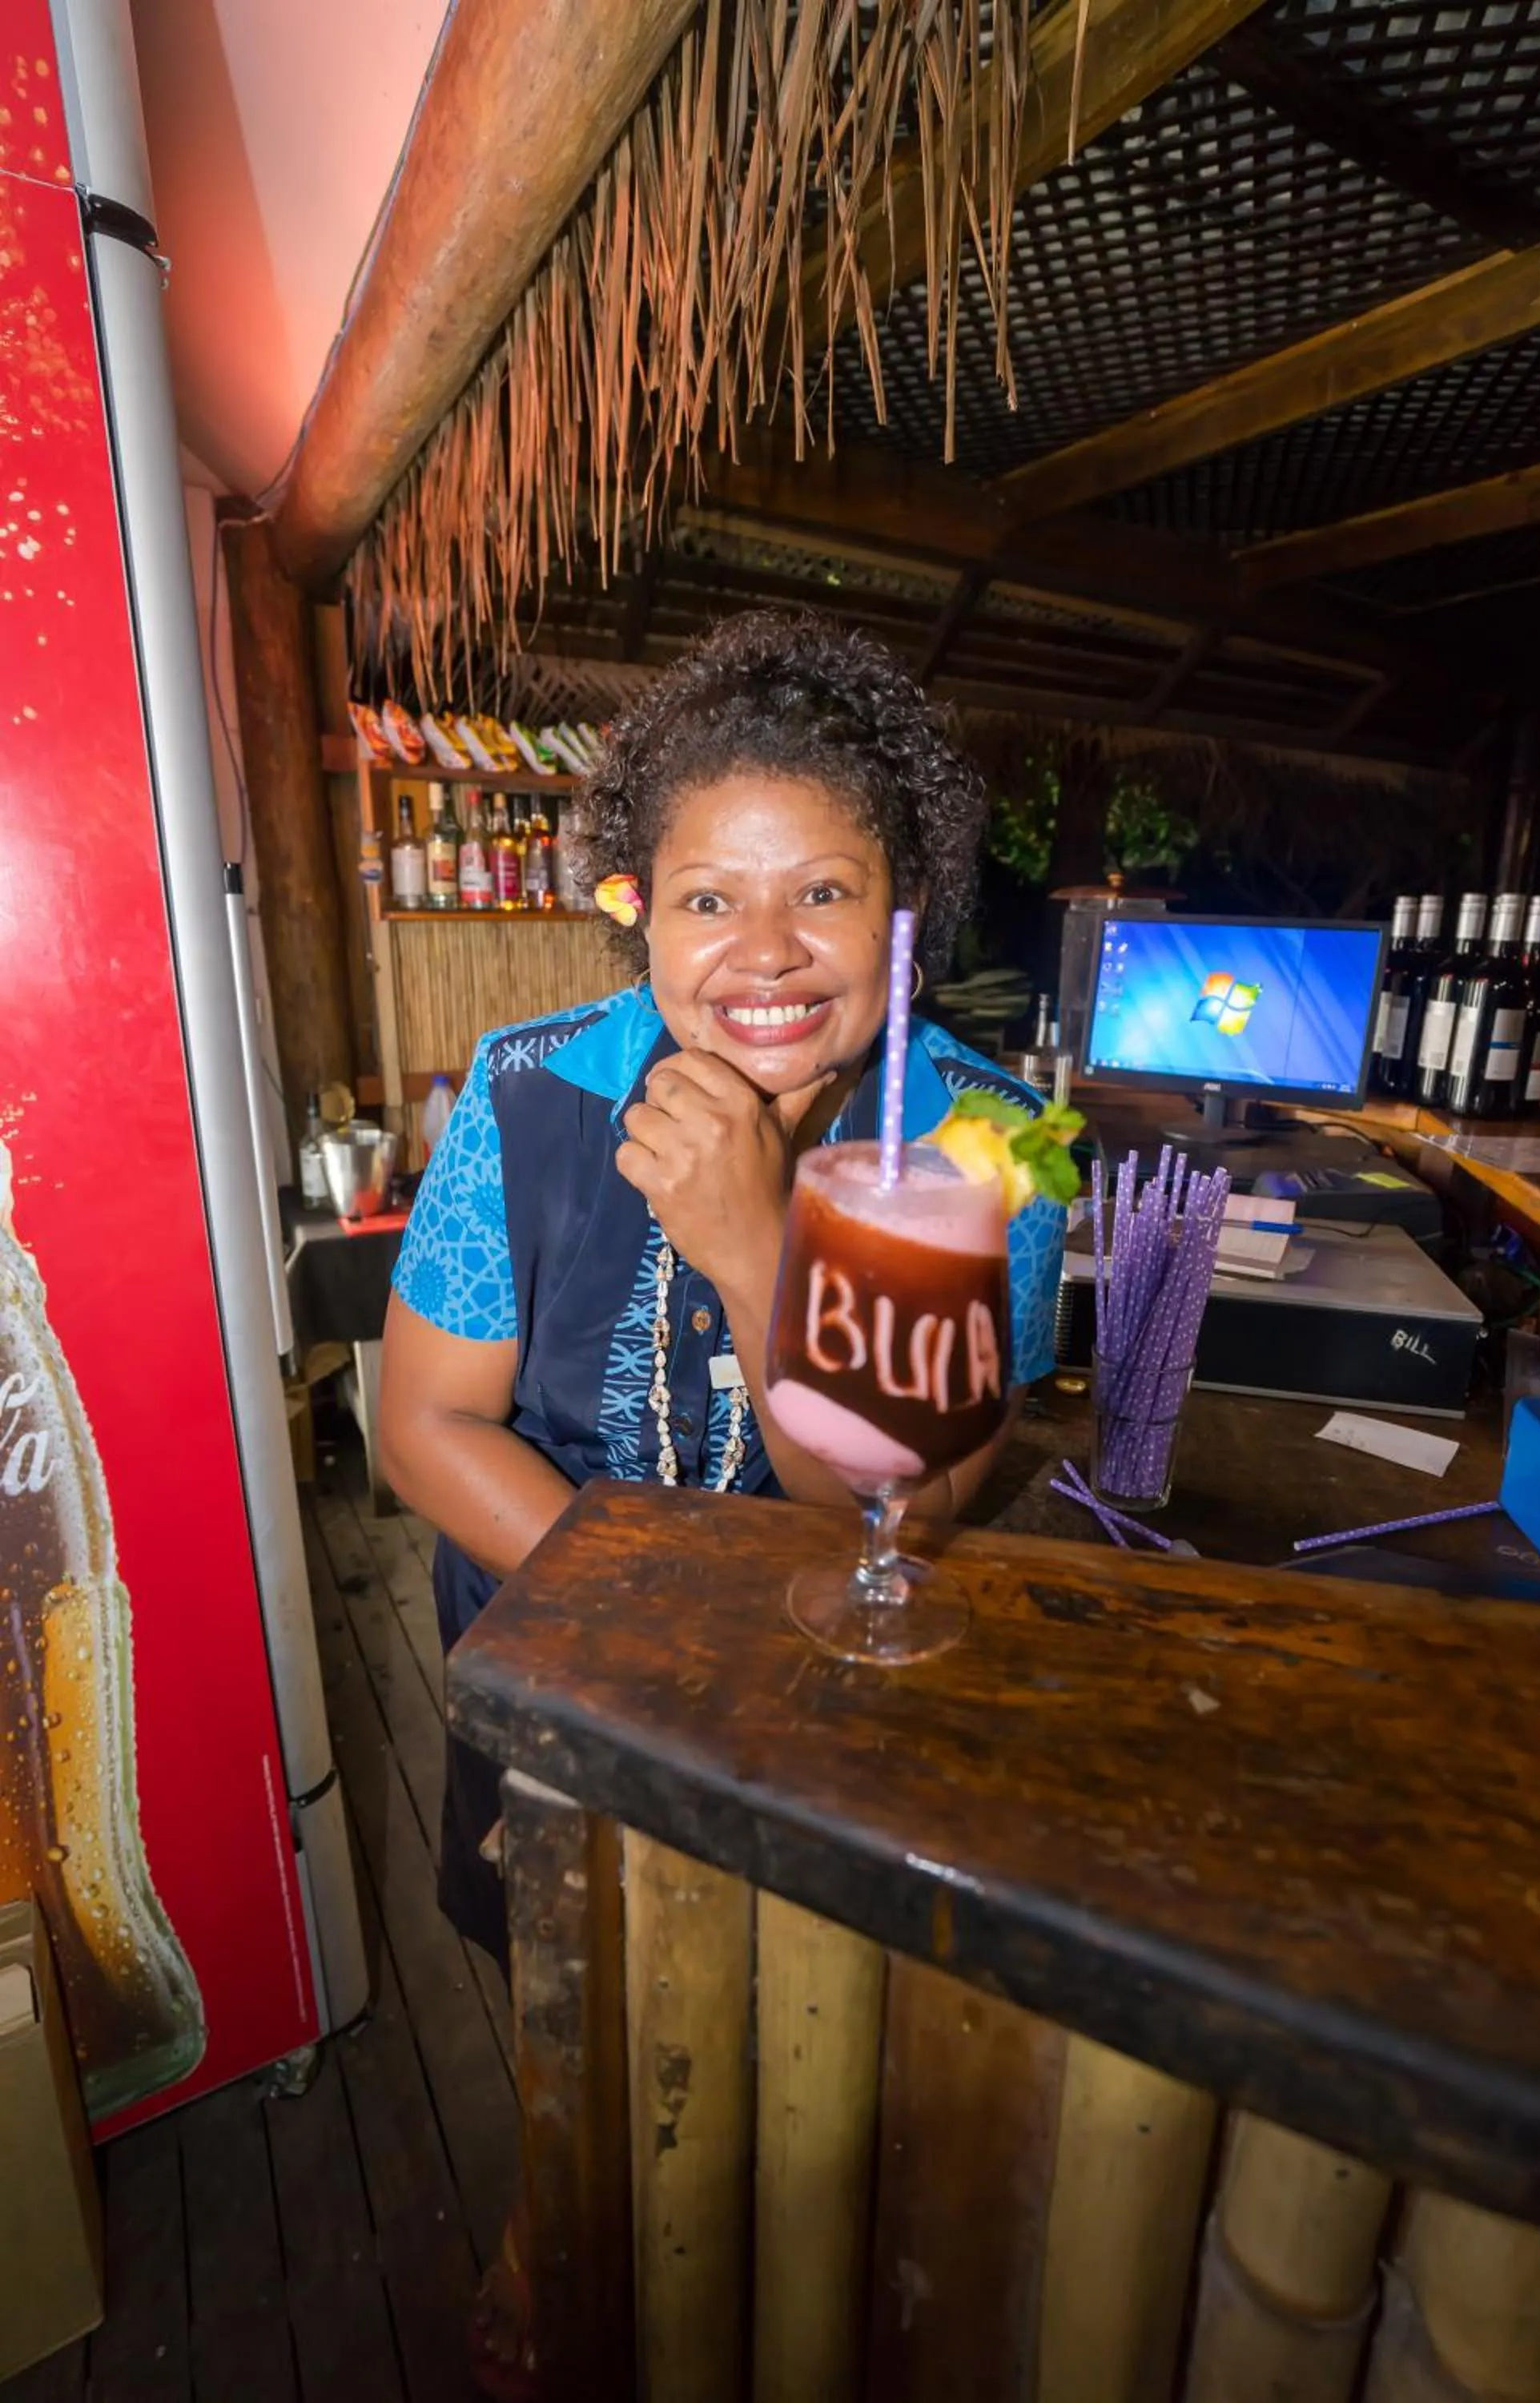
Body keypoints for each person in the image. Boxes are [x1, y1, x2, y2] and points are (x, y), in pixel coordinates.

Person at [379, 610, 1068, 1972]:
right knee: (571, 2067)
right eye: (708, 900)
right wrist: (674, 1632)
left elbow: (912, 1513)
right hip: (561, 1679)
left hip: (826, 1730)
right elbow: (426, 1431)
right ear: (643, 906)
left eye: (822, 892)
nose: (764, 951)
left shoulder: (997, 1145)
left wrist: (756, 1245)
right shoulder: (525, 1089)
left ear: (902, 908)